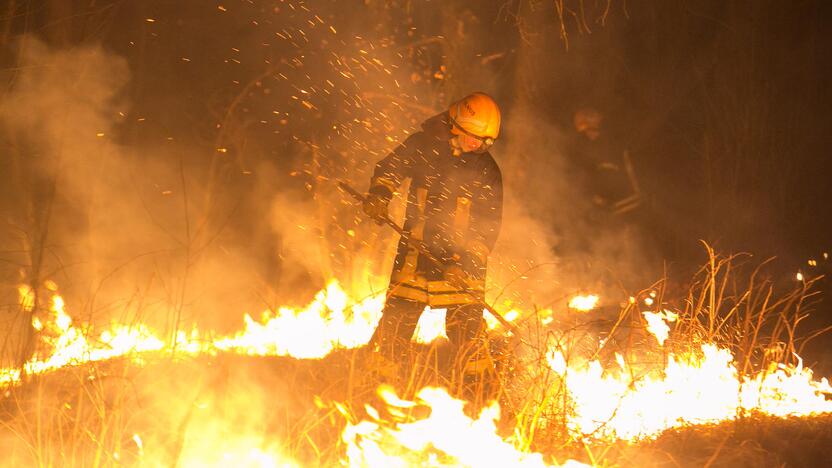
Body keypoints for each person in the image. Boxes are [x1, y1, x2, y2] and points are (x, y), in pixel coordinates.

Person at [362, 92, 504, 383]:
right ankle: (376, 384)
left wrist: (464, 263)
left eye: (485, 141)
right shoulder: (422, 146)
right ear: (455, 125)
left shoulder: (486, 170)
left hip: (462, 263)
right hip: (416, 253)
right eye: (473, 137)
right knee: (398, 319)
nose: (478, 145)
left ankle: (480, 391)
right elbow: (391, 168)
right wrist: (379, 194)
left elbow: (487, 225)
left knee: (466, 326)